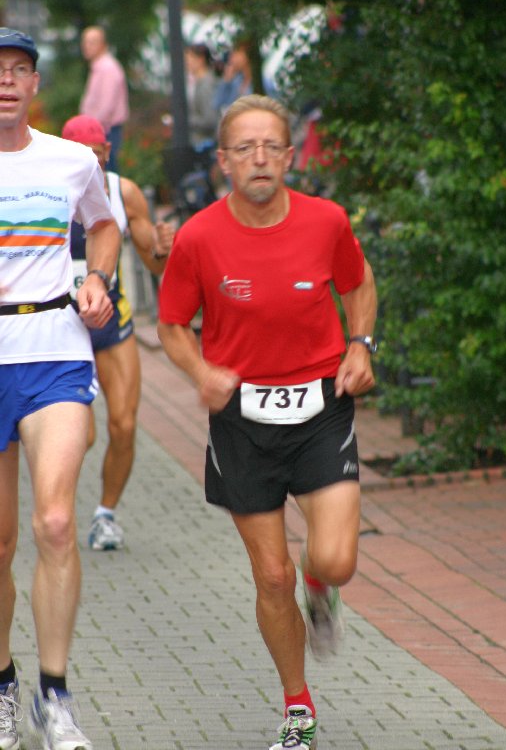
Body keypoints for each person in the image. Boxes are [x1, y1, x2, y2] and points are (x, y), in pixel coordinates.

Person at [157, 94, 377, 750]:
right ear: (223, 161)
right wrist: (200, 372)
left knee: (334, 559)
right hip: (242, 418)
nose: (259, 158)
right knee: (272, 575)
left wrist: (361, 346)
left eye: (270, 146)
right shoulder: (199, 237)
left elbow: (358, 284)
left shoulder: (326, 221)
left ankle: (322, 589)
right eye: (244, 148)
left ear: (288, 156)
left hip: (320, 407)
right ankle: (297, 706)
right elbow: (171, 324)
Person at [0, 27, 121, 750]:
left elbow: (104, 226)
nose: (6, 81)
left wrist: (97, 278)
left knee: (52, 524)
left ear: (35, 85)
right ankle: (2, 688)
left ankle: (56, 697)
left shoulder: (71, 160)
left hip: (55, 349)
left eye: (19, 70)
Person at [61, 114, 175, 551]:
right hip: (62, 328)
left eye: (96, 156)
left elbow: (154, 265)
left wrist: (162, 250)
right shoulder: (47, 189)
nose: (89, 165)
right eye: (80, 157)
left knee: (124, 425)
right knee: (80, 435)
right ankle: (57, 510)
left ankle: (105, 515)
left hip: (112, 324)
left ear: (108, 152)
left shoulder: (123, 193)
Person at [80, 25, 129, 173]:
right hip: (101, 131)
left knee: (107, 175)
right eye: (85, 42)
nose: (86, 46)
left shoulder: (108, 68)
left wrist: (91, 131)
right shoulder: (98, 67)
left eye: (92, 42)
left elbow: (106, 106)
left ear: (103, 44)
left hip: (105, 132)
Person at [185, 43, 218, 149]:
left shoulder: (206, 84)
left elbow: (209, 119)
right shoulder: (198, 83)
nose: (186, 63)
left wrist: (185, 120)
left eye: (189, 58)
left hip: (205, 146)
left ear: (201, 59)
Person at [213, 41, 253, 116]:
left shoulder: (264, 83)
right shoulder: (235, 81)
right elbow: (216, 104)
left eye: (236, 53)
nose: (231, 58)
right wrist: (226, 80)